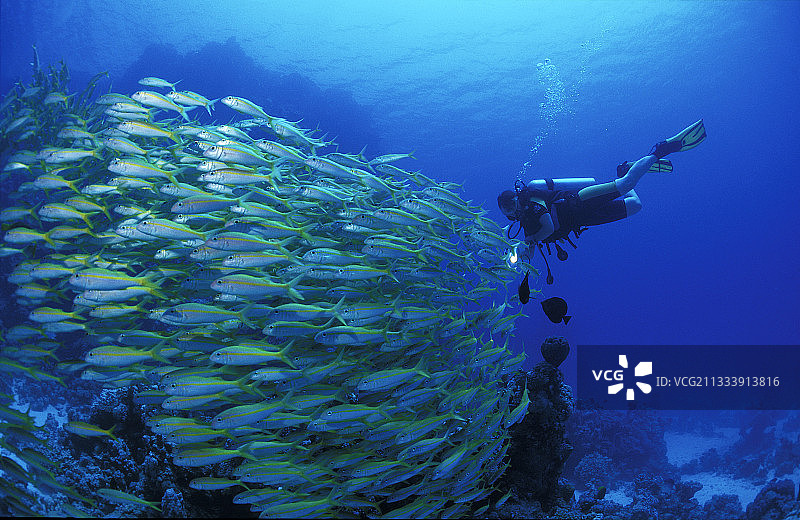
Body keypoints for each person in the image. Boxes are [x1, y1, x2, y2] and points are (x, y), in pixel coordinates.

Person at [498, 119, 706, 260]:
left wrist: (531, 240)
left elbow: (549, 227)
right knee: (635, 205)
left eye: (511, 208)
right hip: (583, 220)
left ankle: (661, 149)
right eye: (509, 213)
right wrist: (525, 252)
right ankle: (625, 170)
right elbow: (534, 244)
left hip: (580, 201)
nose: (513, 213)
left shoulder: (530, 199)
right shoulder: (526, 224)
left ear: (515, 200)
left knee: (627, 185)